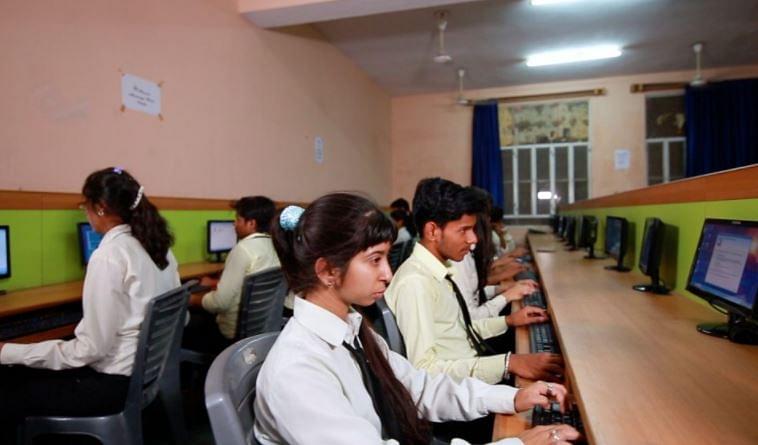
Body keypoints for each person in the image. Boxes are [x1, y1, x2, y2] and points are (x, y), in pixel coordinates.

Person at [254, 193, 578, 445]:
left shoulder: (352, 329)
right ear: (327, 271)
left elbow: (417, 387)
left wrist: (511, 397)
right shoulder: (297, 371)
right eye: (375, 260)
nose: (388, 273)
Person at [0, 167, 180, 437]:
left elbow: (90, 350)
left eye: (85, 205)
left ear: (100, 208)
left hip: (111, 387)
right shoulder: (160, 248)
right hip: (144, 377)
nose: (85, 212)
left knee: (10, 382)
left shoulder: (109, 256)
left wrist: (7, 352)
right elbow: (181, 318)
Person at [385, 178, 564, 387]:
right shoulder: (416, 283)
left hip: (470, 368)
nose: (473, 239)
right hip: (459, 390)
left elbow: (460, 330)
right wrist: (508, 364)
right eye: (464, 230)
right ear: (433, 231)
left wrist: (509, 321)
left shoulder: (439, 270)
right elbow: (425, 370)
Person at [185, 196, 279, 351]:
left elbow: (219, 303)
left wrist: (193, 299)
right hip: (260, 328)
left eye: (238, 219)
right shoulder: (273, 246)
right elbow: (246, 285)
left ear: (251, 223)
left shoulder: (243, 249)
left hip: (231, 334)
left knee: (187, 317)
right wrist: (215, 284)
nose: (234, 224)